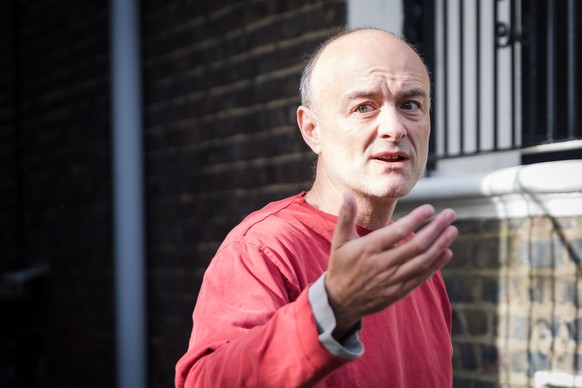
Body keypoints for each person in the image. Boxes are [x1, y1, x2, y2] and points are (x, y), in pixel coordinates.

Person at [175, 27, 459, 387]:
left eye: (410, 105)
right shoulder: (263, 249)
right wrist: (333, 308)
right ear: (312, 130)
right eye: (363, 107)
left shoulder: (418, 266)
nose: (394, 127)